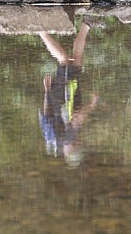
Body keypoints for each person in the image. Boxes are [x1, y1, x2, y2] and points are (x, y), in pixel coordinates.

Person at [37, 23, 99, 167]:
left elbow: (78, 116)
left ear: (74, 149)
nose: (79, 143)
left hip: (65, 96)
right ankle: (86, 25)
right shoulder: (56, 142)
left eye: (78, 147)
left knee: (65, 61)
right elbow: (47, 114)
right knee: (76, 63)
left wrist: (92, 104)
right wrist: (47, 93)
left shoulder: (69, 138)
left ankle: (41, 31)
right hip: (61, 97)